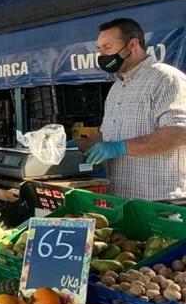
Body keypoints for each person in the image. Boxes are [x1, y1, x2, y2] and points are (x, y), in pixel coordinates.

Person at [76, 18, 186, 200]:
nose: (103, 55)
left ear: (132, 45)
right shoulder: (116, 88)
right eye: (100, 50)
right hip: (119, 199)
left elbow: (179, 132)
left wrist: (121, 147)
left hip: (161, 201)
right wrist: (68, 147)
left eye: (108, 48)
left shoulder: (165, 79)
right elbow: (107, 135)